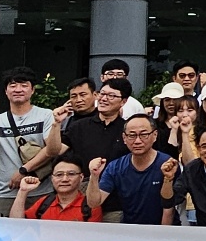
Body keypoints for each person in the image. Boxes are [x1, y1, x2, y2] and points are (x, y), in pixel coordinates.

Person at [45, 76, 132, 221]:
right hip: (81, 203)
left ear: (123, 101)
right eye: (102, 94)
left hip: (115, 203)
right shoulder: (79, 126)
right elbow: (53, 151)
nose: (104, 99)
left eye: (111, 96)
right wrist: (56, 124)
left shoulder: (128, 129)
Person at [0, 66, 55, 216]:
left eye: (24, 85)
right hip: (4, 194)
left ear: (32, 90)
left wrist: (24, 170)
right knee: (2, 231)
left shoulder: (46, 115)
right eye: (12, 85)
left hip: (40, 191)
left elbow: (51, 150)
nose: (18, 89)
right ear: (6, 91)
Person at [86, 113, 174, 226]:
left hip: (163, 228)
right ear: (124, 138)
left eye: (144, 135)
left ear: (155, 135)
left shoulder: (167, 164)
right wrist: (94, 176)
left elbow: (169, 208)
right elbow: (94, 203)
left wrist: (163, 233)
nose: (137, 141)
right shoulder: (115, 167)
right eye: (132, 135)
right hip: (129, 228)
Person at [11, 156, 102, 221]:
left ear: (81, 177)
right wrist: (23, 191)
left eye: (71, 174)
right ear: (52, 178)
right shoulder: (44, 203)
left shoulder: (90, 206)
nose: (65, 179)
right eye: (59, 175)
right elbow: (16, 224)